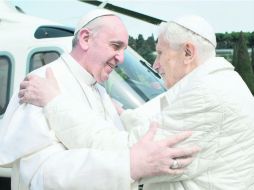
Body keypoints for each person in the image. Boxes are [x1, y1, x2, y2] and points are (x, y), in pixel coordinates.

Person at [20, 14, 254, 189]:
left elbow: (127, 152)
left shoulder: (207, 95)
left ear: (188, 53)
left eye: (160, 53)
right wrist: (123, 114)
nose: (156, 65)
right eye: (115, 46)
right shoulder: (218, 84)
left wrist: (54, 102)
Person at [0, 10, 199, 190]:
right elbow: (40, 176)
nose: (120, 58)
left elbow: (110, 142)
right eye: (115, 46)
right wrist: (129, 165)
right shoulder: (40, 85)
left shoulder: (100, 91)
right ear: (85, 38)